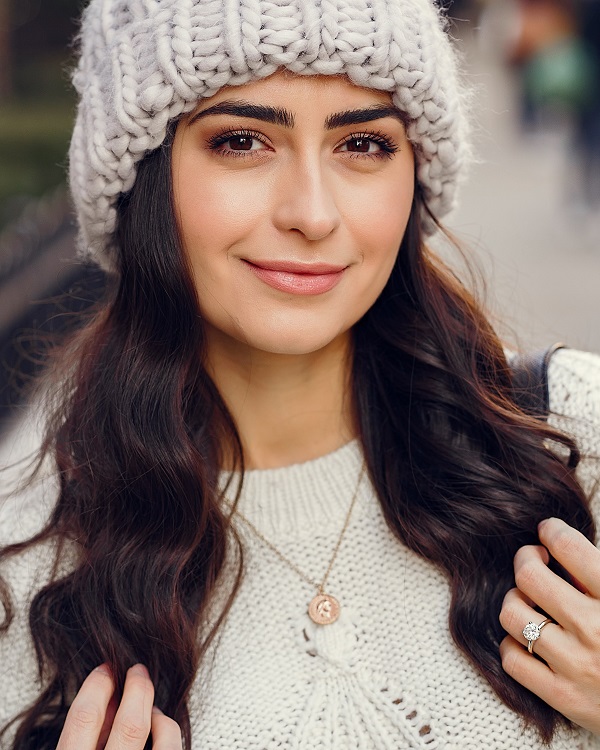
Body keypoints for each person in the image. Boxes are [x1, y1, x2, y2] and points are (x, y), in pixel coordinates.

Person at [1, 0, 599, 748]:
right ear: (141, 178)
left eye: (363, 144)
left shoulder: (574, 441)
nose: (312, 214)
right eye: (243, 140)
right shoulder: (24, 578)